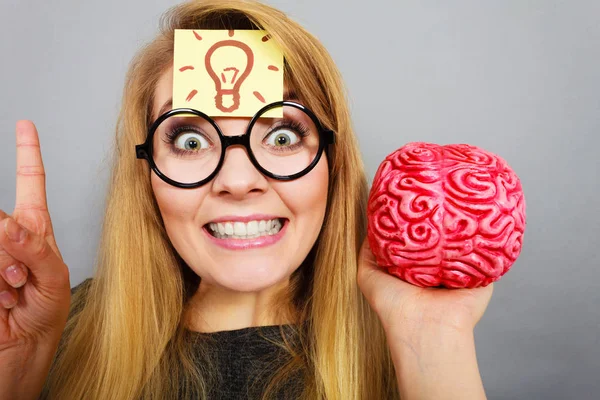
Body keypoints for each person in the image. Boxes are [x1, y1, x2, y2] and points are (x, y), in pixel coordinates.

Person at [0, 1, 494, 399]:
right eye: (190, 141)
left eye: (281, 136)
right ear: (146, 173)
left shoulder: (406, 350)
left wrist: (433, 342)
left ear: (333, 166)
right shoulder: (59, 325)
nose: (238, 180)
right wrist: (19, 376)